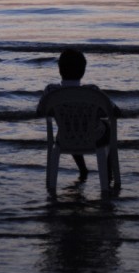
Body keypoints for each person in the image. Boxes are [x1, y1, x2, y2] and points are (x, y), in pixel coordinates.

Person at [37, 48, 121, 180]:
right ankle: (108, 174)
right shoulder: (92, 91)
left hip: (65, 137)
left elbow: (40, 111)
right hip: (92, 137)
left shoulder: (51, 90)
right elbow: (114, 111)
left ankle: (83, 169)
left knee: (71, 128)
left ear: (59, 69)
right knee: (107, 128)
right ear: (83, 71)